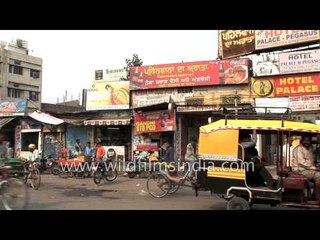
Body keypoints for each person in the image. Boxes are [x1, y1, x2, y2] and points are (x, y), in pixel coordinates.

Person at [292, 135, 320, 201]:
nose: (307, 142)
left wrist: (316, 165)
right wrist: (315, 168)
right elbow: (302, 163)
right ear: (302, 140)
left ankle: (314, 194)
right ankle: (316, 195)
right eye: (305, 140)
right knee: (319, 176)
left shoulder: (309, 148)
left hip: (307, 169)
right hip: (300, 169)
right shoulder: (298, 149)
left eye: (308, 140)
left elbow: (310, 161)